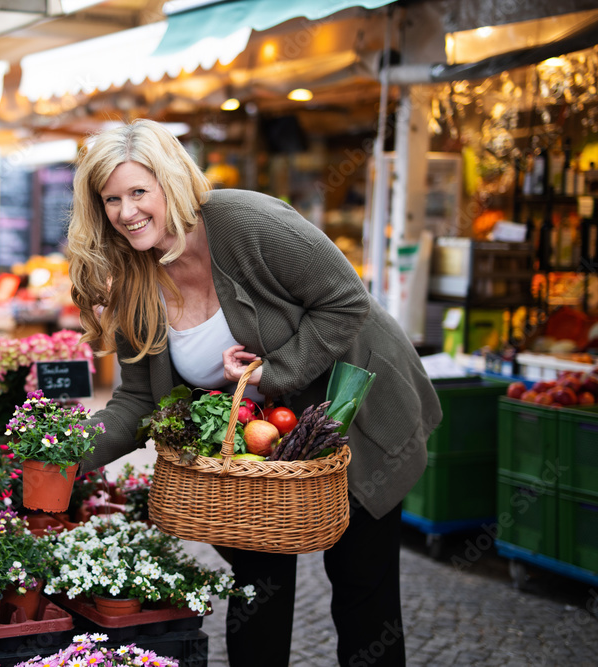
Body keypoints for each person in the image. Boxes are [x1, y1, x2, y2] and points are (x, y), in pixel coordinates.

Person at [66, 119, 442, 666]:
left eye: (139, 192)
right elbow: (139, 402)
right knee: (257, 589)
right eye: (111, 199)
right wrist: (60, 454)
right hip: (255, 454)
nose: (127, 212)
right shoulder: (133, 279)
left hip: (353, 417)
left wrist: (276, 372)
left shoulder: (248, 222)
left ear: (171, 182)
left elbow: (345, 300)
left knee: (364, 593)